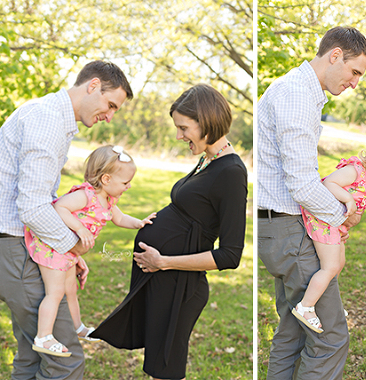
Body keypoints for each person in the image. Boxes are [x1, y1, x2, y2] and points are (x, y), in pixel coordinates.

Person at [90, 84, 248, 380]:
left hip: (180, 286)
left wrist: (164, 261)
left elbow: (230, 254)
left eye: (183, 128)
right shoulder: (207, 160)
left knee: (165, 368)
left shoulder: (232, 172)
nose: (178, 136)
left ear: (207, 122)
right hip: (164, 281)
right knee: (156, 368)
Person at [0, 60, 132, 379]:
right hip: (18, 245)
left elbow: (43, 198)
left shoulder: (51, 116)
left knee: (31, 355)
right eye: (110, 104)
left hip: (24, 244)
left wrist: (65, 253)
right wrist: (71, 248)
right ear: (92, 85)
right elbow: (33, 207)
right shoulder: (47, 121)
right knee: (66, 361)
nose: (110, 115)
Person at [257, 25, 366, 380]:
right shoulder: (296, 95)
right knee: (330, 338)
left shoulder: (298, 90)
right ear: (335, 55)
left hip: (277, 227)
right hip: (288, 229)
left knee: (292, 333)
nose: (355, 83)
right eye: (355, 71)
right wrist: (343, 217)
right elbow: (303, 184)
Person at [26, 145, 156, 357]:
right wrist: (79, 228)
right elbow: (59, 207)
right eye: (125, 182)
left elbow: (121, 219)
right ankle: (43, 336)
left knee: (70, 290)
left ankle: (78, 327)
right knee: (56, 292)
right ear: (106, 179)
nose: (129, 186)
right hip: (53, 248)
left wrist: (140, 223)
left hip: (68, 251)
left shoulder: (108, 200)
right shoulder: (86, 196)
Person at [294, 136, 366, 333]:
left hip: (335, 224)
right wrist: (348, 199)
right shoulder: (354, 170)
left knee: (339, 263)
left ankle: (328, 304)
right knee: (329, 266)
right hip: (324, 221)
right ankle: (305, 306)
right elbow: (329, 183)